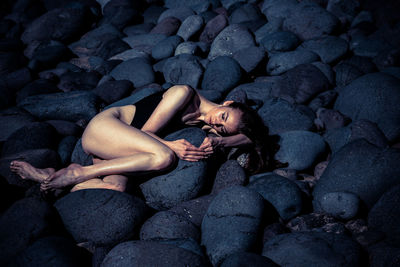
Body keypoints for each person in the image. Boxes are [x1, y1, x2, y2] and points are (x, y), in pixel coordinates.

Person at [10, 85, 273, 193]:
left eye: (223, 128)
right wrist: (172, 145)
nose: (217, 123)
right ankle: (78, 172)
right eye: (224, 116)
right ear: (228, 102)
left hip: (120, 149)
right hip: (106, 128)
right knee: (164, 157)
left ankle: (47, 177)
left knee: (116, 189)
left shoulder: (210, 127)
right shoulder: (183, 93)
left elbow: (250, 140)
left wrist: (221, 141)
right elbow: (147, 132)